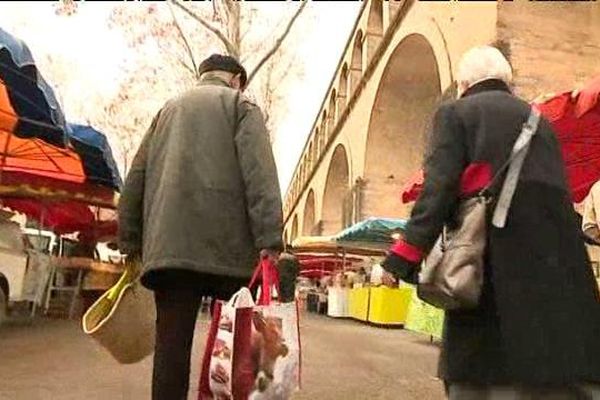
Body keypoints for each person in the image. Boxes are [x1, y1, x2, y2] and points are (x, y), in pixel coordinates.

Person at [382, 45, 600, 399]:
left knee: (484, 375)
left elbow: (438, 191)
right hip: (558, 280)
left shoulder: (457, 114)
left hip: (493, 271)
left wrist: (402, 258)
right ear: (506, 81)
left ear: (462, 82)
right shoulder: (540, 122)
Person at [118, 54, 284, 400]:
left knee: (171, 349)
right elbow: (260, 176)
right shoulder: (242, 106)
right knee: (239, 346)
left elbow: (136, 178)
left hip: (170, 253)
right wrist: (270, 239)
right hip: (231, 253)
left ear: (203, 75)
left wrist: (130, 242)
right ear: (236, 79)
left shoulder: (166, 111)